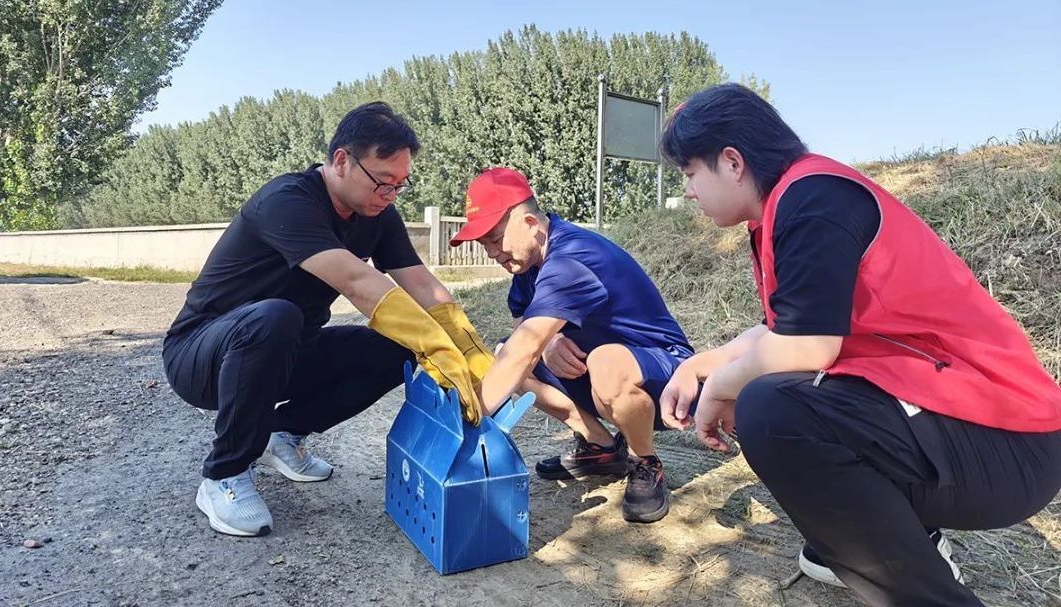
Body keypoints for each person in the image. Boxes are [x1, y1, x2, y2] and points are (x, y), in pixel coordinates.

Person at [657, 83, 1061, 605]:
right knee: (773, 394)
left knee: (771, 408)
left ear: (732, 162)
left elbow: (806, 346)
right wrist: (704, 364)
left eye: (690, 173)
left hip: (1009, 442)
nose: (689, 191)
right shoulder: (789, 202)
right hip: (979, 428)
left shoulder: (812, 199)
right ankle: (908, 539)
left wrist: (719, 388)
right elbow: (782, 328)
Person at [162, 102, 494, 538]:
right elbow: (357, 282)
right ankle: (224, 473)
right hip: (203, 354)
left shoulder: (378, 216)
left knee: (397, 349)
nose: (390, 195)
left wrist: (466, 345)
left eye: (400, 185)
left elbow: (421, 283)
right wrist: (433, 342)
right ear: (341, 160)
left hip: (286, 351)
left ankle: (283, 434)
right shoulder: (286, 201)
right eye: (383, 182)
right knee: (276, 315)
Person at [449, 167, 696, 523]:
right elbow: (521, 338)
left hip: (667, 380)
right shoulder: (527, 268)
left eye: (495, 239)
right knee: (504, 352)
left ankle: (645, 461)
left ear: (530, 223)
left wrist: (466, 424)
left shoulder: (571, 258)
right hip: (601, 378)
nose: (491, 252)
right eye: (484, 243)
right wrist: (551, 343)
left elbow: (525, 350)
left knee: (603, 362)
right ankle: (601, 447)